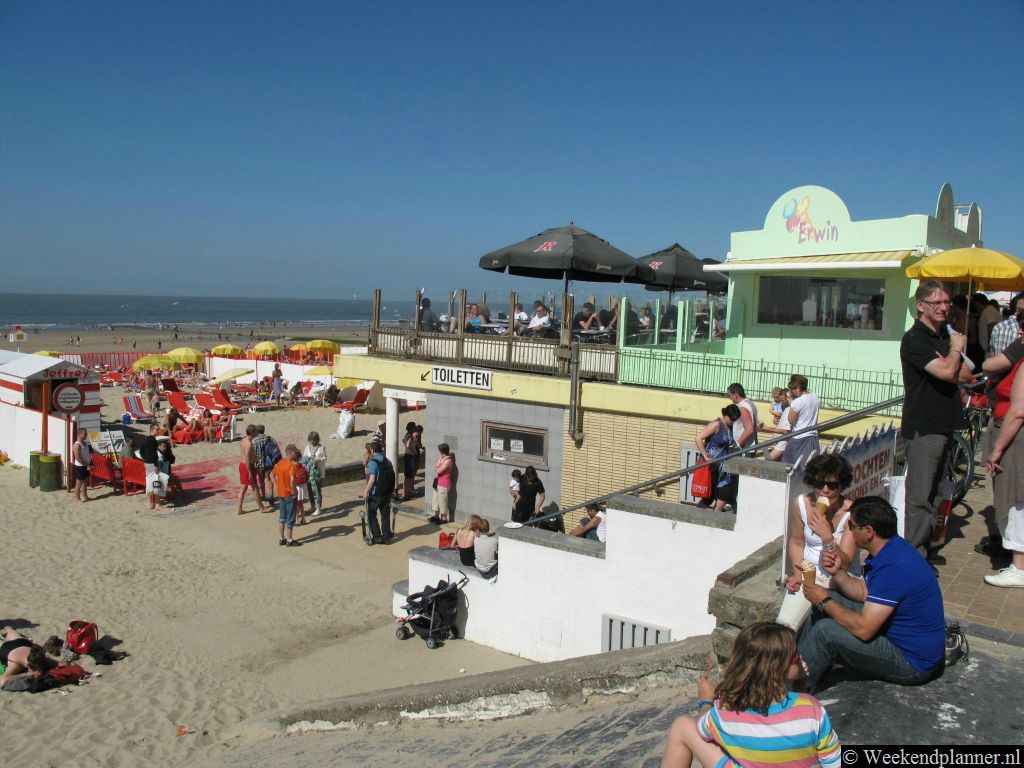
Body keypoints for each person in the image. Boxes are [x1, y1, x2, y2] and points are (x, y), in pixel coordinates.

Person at [799, 496, 946, 690]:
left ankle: (791, 689)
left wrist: (824, 601)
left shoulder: (895, 566)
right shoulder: (889, 549)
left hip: (911, 662)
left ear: (868, 531)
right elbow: (863, 592)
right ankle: (802, 664)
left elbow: (864, 629)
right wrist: (839, 574)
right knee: (828, 598)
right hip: (895, 635)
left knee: (825, 631)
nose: (848, 531)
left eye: (852, 527)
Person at [660, 621, 840, 768]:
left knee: (682, 725)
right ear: (781, 667)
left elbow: (701, 727)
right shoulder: (811, 709)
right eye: (794, 655)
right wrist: (801, 682)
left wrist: (706, 701)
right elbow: (833, 762)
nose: (799, 657)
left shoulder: (725, 711)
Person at [899, 280, 971, 557]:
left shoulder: (943, 336)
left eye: (946, 302)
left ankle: (925, 549)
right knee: (920, 497)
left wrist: (952, 358)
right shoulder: (914, 339)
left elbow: (963, 374)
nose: (944, 307)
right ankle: (914, 557)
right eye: (937, 303)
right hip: (923, 428)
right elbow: (946, 371)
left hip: (944, 426)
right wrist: (955, 350)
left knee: (939, 493)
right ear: (921, 306)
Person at [777, 454, 860, 630]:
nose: (825, 490)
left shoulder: (851, 513)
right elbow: (797, 542)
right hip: (809, 572)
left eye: (832, 485)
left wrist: (827, 536)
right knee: (784, 627)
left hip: (839, 578)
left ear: (842, 486)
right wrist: (798, 572)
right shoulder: (801, 503)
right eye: (818, 484)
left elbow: (844, 563)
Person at [980, 338, 1024, 587]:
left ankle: (1019, 567)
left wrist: (996, 450)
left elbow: (1018, 411)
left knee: (1016, 499)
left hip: (1016, 443)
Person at [695, 405, 739, 512]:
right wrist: (706, 456)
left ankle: (716, 514)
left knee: (725, 493)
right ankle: (696, 515)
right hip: (711, 465)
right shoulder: (717, 424)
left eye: (736, 419)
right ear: (726, 415)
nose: (734, 421)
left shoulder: (729, 427)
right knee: (709, 497)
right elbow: (698, 438)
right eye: (732, 418)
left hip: (722, 466)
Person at [782, 374, 820, 466]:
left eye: (793, 389)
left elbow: (790, 420)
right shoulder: (815, 397)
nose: (792, 392)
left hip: (799, 438)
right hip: (813, 437)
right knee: (811, 466)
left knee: (789, 466)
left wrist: (791, 403)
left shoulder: (798, 402)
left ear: (798, 388)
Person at [271, 444, 303, 547]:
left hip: (281, 494)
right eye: (294, 452)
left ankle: (281, 538)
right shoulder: (291, 466)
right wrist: (294, 492)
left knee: (282, 517)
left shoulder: (280, 463)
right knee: (290, 518)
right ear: (290, 452)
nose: (296, 453)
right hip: (289, 494)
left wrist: (276, 485)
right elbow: (292, 479)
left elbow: (272, 474)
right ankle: (289, 540)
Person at [363, 440, 393, 545]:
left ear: (372, 450)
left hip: (376, 493)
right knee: (385, 515)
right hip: (387, 493)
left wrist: (366, 491)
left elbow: (372, 480)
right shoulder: (388, 461)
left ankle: (377, 537)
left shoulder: (373, 462)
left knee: (371, 514)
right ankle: (386, 538)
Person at [238, 424, 266, 515]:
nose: (258, 433)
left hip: (243, 465)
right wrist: (250, 472)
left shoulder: (243, 440)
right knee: (255, 487)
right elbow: (246, 458)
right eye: (256, 431)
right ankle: (261, 508)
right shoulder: (249, 444)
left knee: (243, 486)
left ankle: (239, 508)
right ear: (252, 432)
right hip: (247, 466)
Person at [725, 383, 758, 456]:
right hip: (747, 449)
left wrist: (736, 446)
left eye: (729, 395)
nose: (729, 398)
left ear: (735, 395)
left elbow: (749, 429)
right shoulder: (750, 404)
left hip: (744, 450)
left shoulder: (743, 407)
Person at [759, 388, 791, 462]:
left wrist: (766, 429)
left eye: (782, 400)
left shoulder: (790, 411)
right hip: (777, 442)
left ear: (788, 399)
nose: (781, 403)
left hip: (782, 443)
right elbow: (782, 425)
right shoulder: (785, 410)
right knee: (770, 462)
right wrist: (776, 423)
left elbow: (786, 431)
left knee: (766, 461)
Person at [988, 293, 1024, 357]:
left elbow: (992, 354)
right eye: (1017, 310)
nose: (1016, 313)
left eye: (1020, 310)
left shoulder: (998, 327)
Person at [429, 443, 454, 524]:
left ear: (442, 450)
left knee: (442, 501)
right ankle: (436, 516)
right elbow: (436, 467)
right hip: (438, 483)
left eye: (440, 450)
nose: (439, 451)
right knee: (435, 499)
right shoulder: (442, 458)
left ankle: (444, 518)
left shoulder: (448, 460)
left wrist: (437, 468)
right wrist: (437, 468)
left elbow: (438, 470)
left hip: (444, 483)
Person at [302, 431, 326, 516]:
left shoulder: (321, 447)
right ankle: (312, 506)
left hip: (317, 472)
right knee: (309, 490)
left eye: (314, 439)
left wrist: (319, 459)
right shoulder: (307, 448)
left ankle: (318, 508)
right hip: (308, 472)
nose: (312, 441)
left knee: (317, 490)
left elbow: (325, 458)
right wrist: (305, 466)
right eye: (311, 440)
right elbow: (304, 459)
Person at [973, 291, 1002, 359]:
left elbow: (991, 326)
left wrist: (990, 346)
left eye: (974, 304)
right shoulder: (988, 310)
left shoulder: (989, 311)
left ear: (978, 303)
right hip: (988, 349)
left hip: (990, 350)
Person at [72, 427, 92, 502]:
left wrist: (89, 463)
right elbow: (78, 457)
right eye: (85, 434)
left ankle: (85, 496)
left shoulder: (84, 443)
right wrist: (87, 464)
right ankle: (77, 498)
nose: (86, 435)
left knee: (86, 481)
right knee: (79, 483)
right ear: (80, 434)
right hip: (79, 466)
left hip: (85, 465)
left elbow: (87, 453)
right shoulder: (77, 445)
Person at [401, 421, 420, 501]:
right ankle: (405, 494)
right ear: (412, 428)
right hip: (410, 456)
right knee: (408, 476)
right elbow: (408, 445)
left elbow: (404, 441)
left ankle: (406, 493)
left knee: (408, 476)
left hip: (408, 456)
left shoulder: (407, 435)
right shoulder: (410, 435)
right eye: (415, 427)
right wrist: (414, 451)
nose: (416, 428)